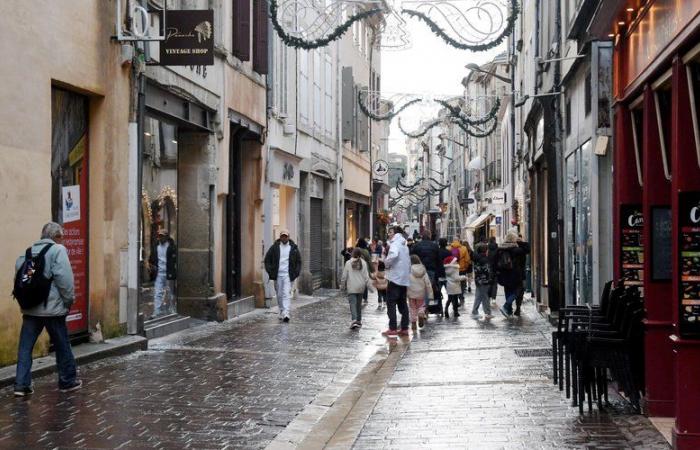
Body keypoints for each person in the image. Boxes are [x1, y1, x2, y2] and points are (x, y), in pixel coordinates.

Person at [13, 222, 82, 396]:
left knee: (25, 347)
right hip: (52, 309)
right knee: (62, 344)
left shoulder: (28, 252)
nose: (63, 241)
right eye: (62, 238)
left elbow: (23, 279)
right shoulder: (57, 250)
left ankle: (21, 385)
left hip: (31, 309)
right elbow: (64, 280)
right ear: (57, 237)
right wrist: (68, 301)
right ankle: (67, 381)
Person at [264, 229, 302, 322]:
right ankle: (281, 310)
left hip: (288, 275)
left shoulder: (294, 248)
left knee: (286, 293)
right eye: (282, 236)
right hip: (277, 275)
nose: (284, 238)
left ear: (288, 237)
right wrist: (270, 271)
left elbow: (298, 261)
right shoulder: (274, 247)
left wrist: (296, 272)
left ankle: (286, 312)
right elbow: (267, 260)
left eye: (286, 236)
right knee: (279, 294)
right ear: (280, 237)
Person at [382, 226, 411, 337]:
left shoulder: (395, 244)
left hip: (395, 278)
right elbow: (408, 262)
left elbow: (393, 255)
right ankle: (404, 327)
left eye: (390, 232)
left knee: (391, 303)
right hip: (403, 278)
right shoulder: (404, 245)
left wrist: (386, 263)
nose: (388, 234)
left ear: (395, 233)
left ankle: (393, 328)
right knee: (402, 303)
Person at [495, 231, 530, 317]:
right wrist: (520, 241)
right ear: (514, 239)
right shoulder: (516, 250)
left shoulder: (500, 249)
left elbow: (495, 262)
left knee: (508, 291)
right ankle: (506, 305)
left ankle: (509, 311)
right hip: (515, 275)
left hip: (504, 275)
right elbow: (528, 249)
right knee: (518, 291)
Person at [148, 228, 177, 317]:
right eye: (159, 236)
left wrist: (174, 269)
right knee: (158, 292)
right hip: (159, 273)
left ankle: (172, 308)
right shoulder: (156, 246)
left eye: (162, 236)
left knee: (171, 292)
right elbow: (152, 258)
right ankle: (157, 310)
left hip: (169, 272)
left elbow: (176, 259)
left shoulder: (171, 247)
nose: (160, 238)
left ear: (166, 237)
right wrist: (151, 266)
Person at [340, 248, 372, 329]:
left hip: (351, 287)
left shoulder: (348, 263)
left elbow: (344, 276)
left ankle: (354, 320)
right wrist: (370, 287)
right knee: (358, 305)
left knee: (352, 304)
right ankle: (359, 321)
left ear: (352, 254)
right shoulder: (364, 263)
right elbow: (366, 277)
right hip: (361, 287)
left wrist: (342, 286)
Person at [411, 231, 442, 303]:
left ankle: (421, 306)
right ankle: (426, 307)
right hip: (431, 270)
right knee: (428, 289)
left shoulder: (417, 246)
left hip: (419, 270)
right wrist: (438, 272)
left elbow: (412, 257)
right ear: (429, 236)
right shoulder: (435, 246)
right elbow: (438, 260)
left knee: (420, 288)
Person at [407, 255, 433, 331]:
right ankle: (421, 314)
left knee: (412, 308)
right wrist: (430, 294)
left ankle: (413, 323)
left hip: (411, 292)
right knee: (421, 306)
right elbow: (428, 283)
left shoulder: (408, 270)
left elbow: (406, 281)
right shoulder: (423, 270)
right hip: (421, 293)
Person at [471, 243, 493, 319]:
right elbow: (487, 271)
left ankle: (475, 311)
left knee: (478, 296)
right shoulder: (485, 259)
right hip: (484, 280)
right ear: (485, 251)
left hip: (478, 279)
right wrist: (490, 279)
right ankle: (487, 312)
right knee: (484, 296)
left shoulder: (476, 258)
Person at [513, 234, 531, 316]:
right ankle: (517, 307)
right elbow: (528, 249)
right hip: (520, 274)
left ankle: (516, 307)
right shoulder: (520, 249)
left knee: (517, 291)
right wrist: (521, 242)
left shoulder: (513, 248)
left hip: (514, 274)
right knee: (520, 291)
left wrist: (519, 242)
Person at [450, 238, 470, 304]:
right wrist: (465, 267)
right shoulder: (464, 248)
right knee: (462, 284)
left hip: (453, 269)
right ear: (459, 241)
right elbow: (467, 260)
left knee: (454, 284)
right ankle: (461, 297)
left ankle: (454, 297)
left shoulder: (449, 248)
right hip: (462, 269)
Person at [355, 238, 374, 303]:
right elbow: (369, 261)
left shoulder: (355, 250)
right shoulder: (366, 251)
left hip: (356, 268)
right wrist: (372, 270)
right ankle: (365, 298)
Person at [487, 236, 499, 303]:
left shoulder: (487, 248)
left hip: (489, 268)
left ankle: (488, 296)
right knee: (495, 284)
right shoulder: (497, 248)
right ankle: (494, 298)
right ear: (494, 240)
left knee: (489, 283)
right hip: (496, 268)